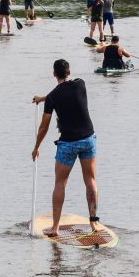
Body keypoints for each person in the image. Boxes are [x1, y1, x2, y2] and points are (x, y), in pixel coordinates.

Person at [31, 59, 104, 237]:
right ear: (69, 71)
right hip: (88, 139)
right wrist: (44, 98)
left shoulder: (54, 97)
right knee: (91, 181)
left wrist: (36, 147)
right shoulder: (81, 84)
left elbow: (44, 126)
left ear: (54, 74)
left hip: (68, 144)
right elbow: (65, 92)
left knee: (60, 183)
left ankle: (55, 228)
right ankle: (94, 223)